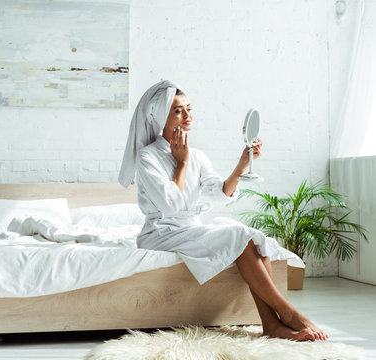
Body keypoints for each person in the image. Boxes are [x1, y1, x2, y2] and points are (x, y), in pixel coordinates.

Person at [118, 80, 328, 342]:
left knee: (250, 237)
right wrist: (181, 164)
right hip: (161, 234)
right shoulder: (148, 157)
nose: (187, 116)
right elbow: (171, 204)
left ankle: (271, 325)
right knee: (236, 236)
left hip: (190, 229)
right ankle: (288, 313)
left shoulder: (196, 155)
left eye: (189, 109)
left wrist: (241, 165)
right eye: (178, 111)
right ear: (161, 116)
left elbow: (218, 191)